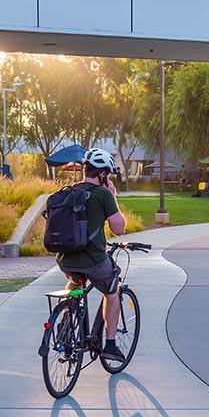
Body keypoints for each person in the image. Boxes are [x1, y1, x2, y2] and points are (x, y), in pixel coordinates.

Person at [56, 148, 127, 363]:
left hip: (65, 259)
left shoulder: (69, 191)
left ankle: (67, 321)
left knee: (75, 281)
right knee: (112, 292)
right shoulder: (103, 194)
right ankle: (111, 345)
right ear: (103, 174)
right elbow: (119, 229)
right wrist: (113, 196)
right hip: (94, 261)